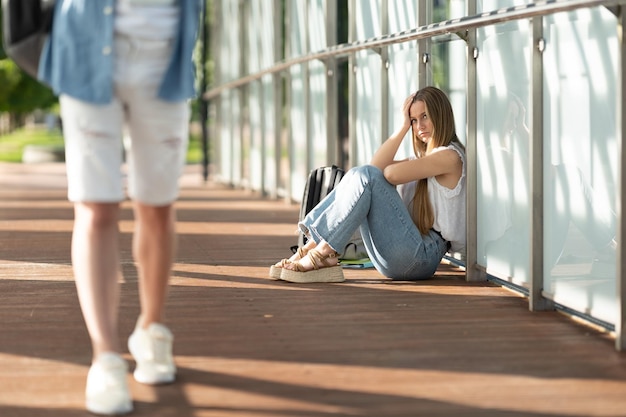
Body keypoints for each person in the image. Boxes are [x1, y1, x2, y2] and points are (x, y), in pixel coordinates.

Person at [38, 0, 203, 414]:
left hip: (167, 54)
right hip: (84, 49)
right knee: (95, 207)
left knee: (157, 206)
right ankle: (105, 357)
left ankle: (151, 328)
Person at [270, 86, 466, 283]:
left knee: (367, 175)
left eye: (425, 116)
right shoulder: (423, 160)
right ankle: (314, 250)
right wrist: (403, 127)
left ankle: (322, 252)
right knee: (360, 173)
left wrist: (380, 172)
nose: (419, 126)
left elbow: (386, 173)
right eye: (414, 120)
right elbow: (375, 166)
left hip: (422, 255)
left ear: (440, 115)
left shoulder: (450, 156)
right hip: (399, 254)